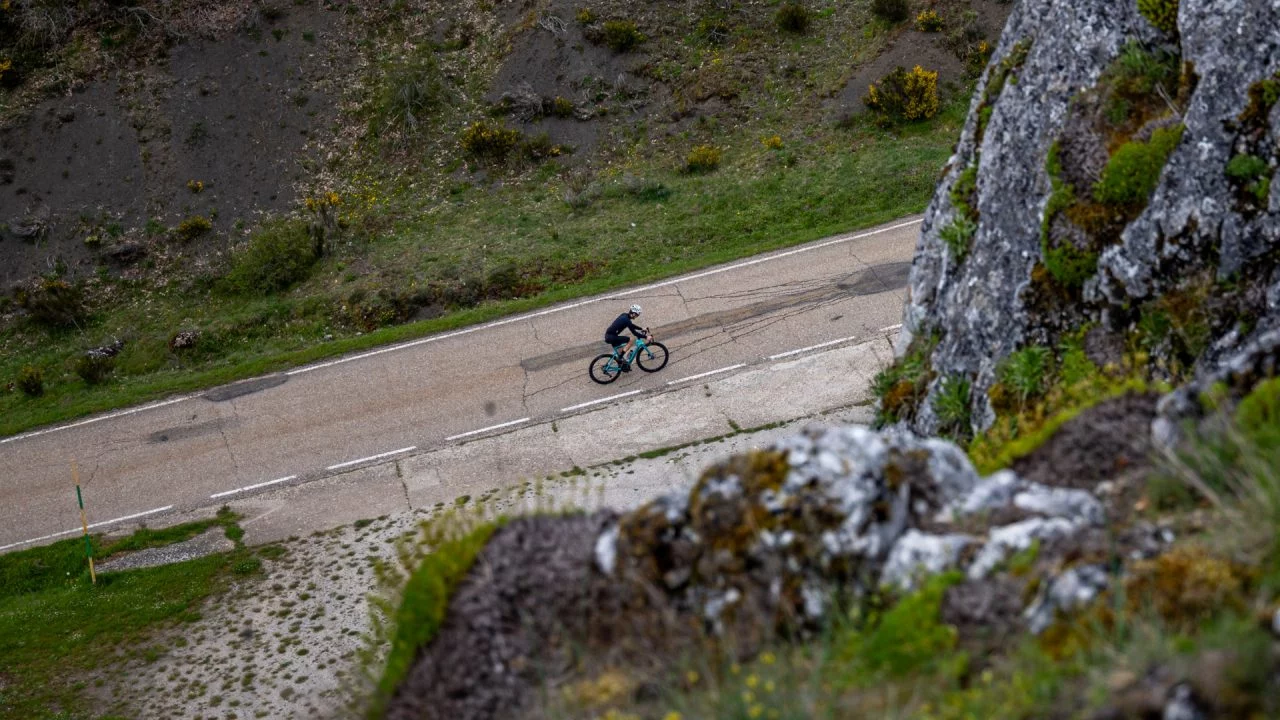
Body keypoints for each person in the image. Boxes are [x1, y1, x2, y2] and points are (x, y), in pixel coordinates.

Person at [604, 304, 648, 372]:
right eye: (637, 315)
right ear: (633, 313)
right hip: (611, 337)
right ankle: (620, 357)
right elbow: (635, 333)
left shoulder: (624, 315)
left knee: (621, 351)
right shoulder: (626, 320)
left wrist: (641, 328)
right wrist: (646, 337)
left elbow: (631, 325)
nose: (637, 316)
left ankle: (623, 366)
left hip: (610, 336)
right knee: (631, 340)